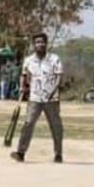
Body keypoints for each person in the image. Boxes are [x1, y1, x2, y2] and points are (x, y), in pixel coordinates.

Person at [11, 33, 64, 163]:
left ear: (46, 43)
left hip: (52, 99)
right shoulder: (29, 60)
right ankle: (21, 152)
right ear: (34, 45)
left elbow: (59, 77)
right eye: (37, 42)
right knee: (28, 124)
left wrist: (53, 90)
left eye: (42, 42)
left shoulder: (54, 59)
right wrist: (23, 86)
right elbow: (24, 75)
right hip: (34, 98)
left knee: (56, 126)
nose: (40, 44)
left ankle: (58, 154)